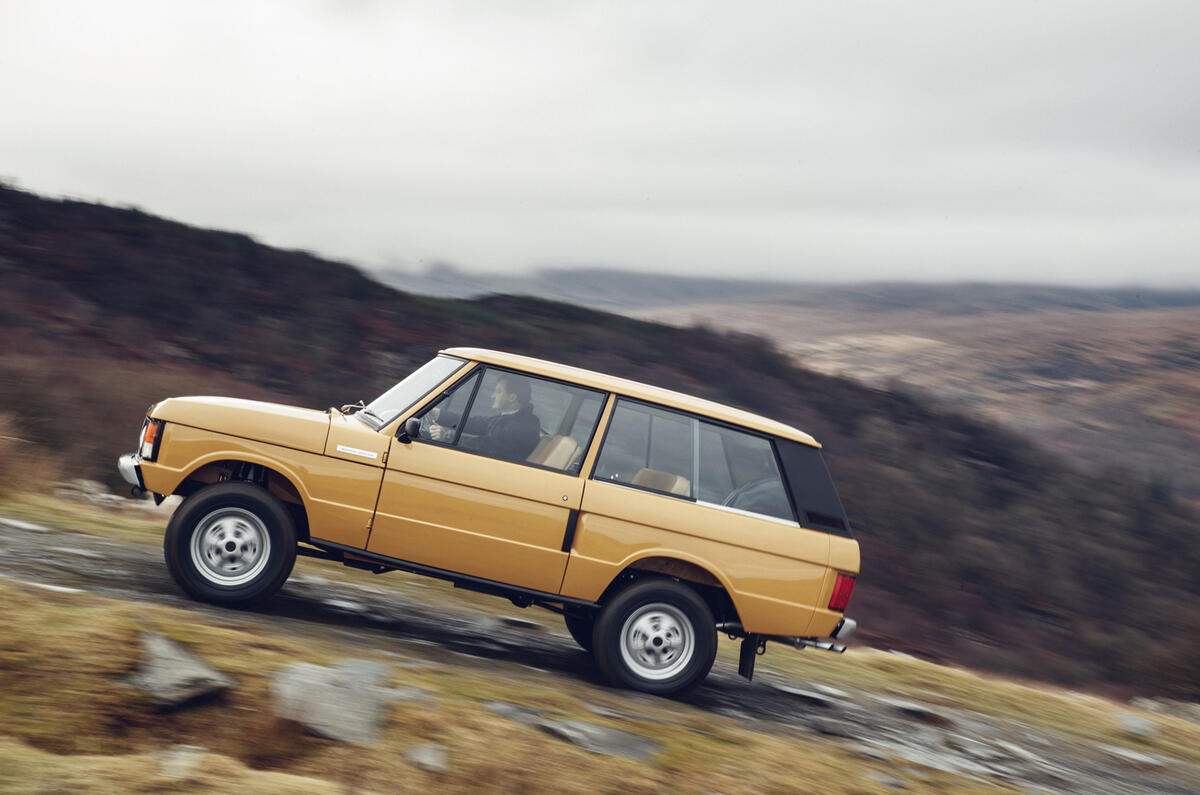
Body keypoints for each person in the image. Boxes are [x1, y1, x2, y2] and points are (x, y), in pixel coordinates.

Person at [429, 375, 541, 462]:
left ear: (512, 397)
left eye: (498, 391)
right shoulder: (511, 418)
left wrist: (446, 437)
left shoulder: (521, 426)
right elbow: (475, 423)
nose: (493, 396)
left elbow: (485, 446)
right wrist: (437, 414)